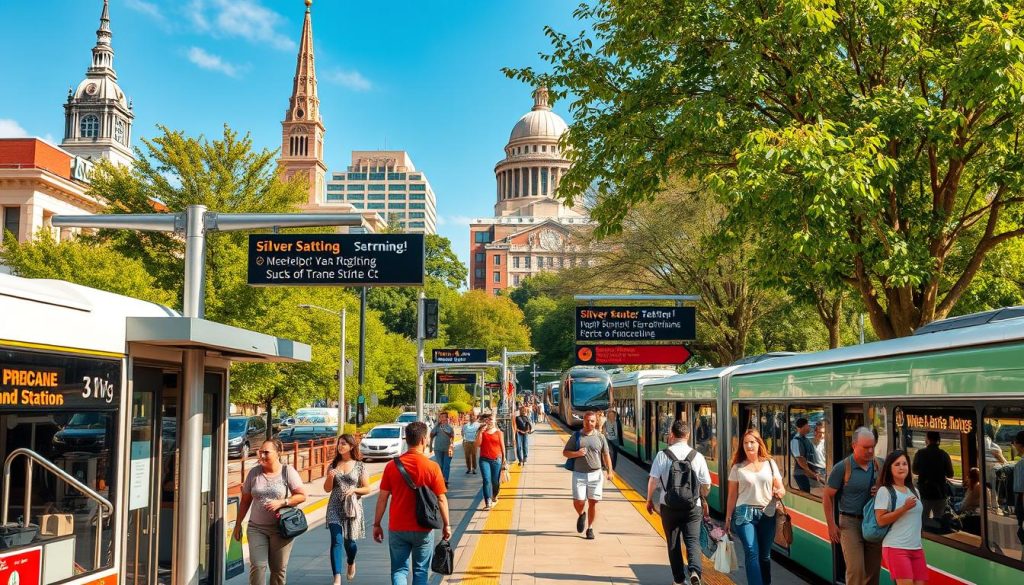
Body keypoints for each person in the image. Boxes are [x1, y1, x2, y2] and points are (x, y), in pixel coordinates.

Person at [373, 421, 452, 585]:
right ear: (424, 440)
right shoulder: (432, 467)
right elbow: (442, 498)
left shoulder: (391, 467)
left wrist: (376, 524)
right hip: (423, 527)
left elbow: (382, 498)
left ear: (406, 440)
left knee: (399, 570)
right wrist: (446, 525)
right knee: (421, 571)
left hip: (397, 527)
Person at [233, 438, 307, 585]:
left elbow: (302, 496)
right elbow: (246, 500)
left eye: (266, 452)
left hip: (281, 529)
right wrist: (238, 524)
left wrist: (282, 502)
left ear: (278, 453)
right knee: (258, 566)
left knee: (278, 570)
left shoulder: (287, 471)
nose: (262, 456)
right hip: (256, 528)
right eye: (260, 452)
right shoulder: (254, 473)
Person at [646, 420, 711, 585]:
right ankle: (695, 571)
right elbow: (706, 484)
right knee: (692, 541)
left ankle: (679, 580)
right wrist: (702, 498)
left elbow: (653, 481)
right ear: (688, 435)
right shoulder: (697, 456)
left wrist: (649, 501)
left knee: (673, 543)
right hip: (692, 507)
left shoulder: (662, 455)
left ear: (672, 435)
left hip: (669, 507)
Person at [823, 427, 883, 585]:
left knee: (873, 572)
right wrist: (831, 524)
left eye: (872, 446)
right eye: (866, 447)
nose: (870, 451)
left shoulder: (879, 465)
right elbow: (827, 496)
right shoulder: (842, 468)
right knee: (856, 570)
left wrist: (882, 489)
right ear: (854, 445)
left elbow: (894, 488)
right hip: (850, 524)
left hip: (873, 522)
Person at [725, 429, 784, 585]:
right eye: (745, 443)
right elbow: (732, 495)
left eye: (752, 442)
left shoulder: (770, 464)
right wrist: (728, 518)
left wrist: (779, 491)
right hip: (744, 514)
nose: (749, 445)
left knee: (764, 556)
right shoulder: (737, 467)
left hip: (767, 513)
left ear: (759, 444)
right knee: (751, 552)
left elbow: (781, 488)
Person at [874, 450, 927, 585]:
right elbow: (880, 520)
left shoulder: (915, 491)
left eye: (904, 464)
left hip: (916, 548)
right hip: (896, 548)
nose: (902, 467)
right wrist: (904, 508)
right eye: (897, 464)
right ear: (889, 468)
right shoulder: (885, 491)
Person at [323, 434, 370, 584]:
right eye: (339, 443)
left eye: (344, 443)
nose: (340, 446)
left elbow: (367, 488)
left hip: (351, 507)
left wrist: (354, 491)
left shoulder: (359, 465)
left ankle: (351, 560)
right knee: (336, 540)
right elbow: (327, 489)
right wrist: (330, 477)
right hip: (335, 506)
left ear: (351, 446)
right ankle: (337, 577)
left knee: (350, 542)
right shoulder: (333, 465)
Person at [563, 410, 614, 539]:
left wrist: (610, 471)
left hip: (595, 474)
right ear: (583, 421)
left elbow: (606, 455)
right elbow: (565, 452)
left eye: (592, 421)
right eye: (587, 420)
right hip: (579, 474)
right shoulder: (576, 436)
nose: (589, 423)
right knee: (579, 502)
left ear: (596, 422)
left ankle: (590, 528)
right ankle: (581, 514)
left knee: (593, 502)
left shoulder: (600, 437)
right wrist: (577, 454)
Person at [912, 431, 954, 520]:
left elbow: (914, 471)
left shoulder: (920, 453)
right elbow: (951, 474)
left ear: (927, 439)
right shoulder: (944, 454)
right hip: (940, 493)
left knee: (923, 519)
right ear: (938, 440)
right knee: (939, 520)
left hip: (924, 493)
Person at [475, 413, 508, 510]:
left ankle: (494, 495)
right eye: (487, 420)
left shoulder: (499, 433)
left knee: (495, 482)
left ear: (495, 421)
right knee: (486, 480)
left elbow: (502, 447)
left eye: (491, 419)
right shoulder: (482, 432)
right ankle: (488, 501)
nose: (489, 421)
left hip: (496, 460)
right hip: (484, 459)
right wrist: (480, 433)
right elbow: (477, 445)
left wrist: (504, 459)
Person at [791, 417, 825, 492]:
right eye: (807, 426)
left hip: (813, 473)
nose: (809, 427)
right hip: (802, 475)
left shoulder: (806, 440)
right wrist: (813, 474)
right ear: (801, 427)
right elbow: (800, 460)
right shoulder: (796, 441)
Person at [430, 411, 455, 485]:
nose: (442, 418)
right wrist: (437, 424)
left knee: (446, 466)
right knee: (440, 465)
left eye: (444, 417)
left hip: (448, 450)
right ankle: (440, 481)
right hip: (438, 449)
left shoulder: (450, 427)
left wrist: (451, 446)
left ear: (447, 418)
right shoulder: (437, 427)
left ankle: (445, 480)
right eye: (440, 417)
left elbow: (452, 437)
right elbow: (431, 435)